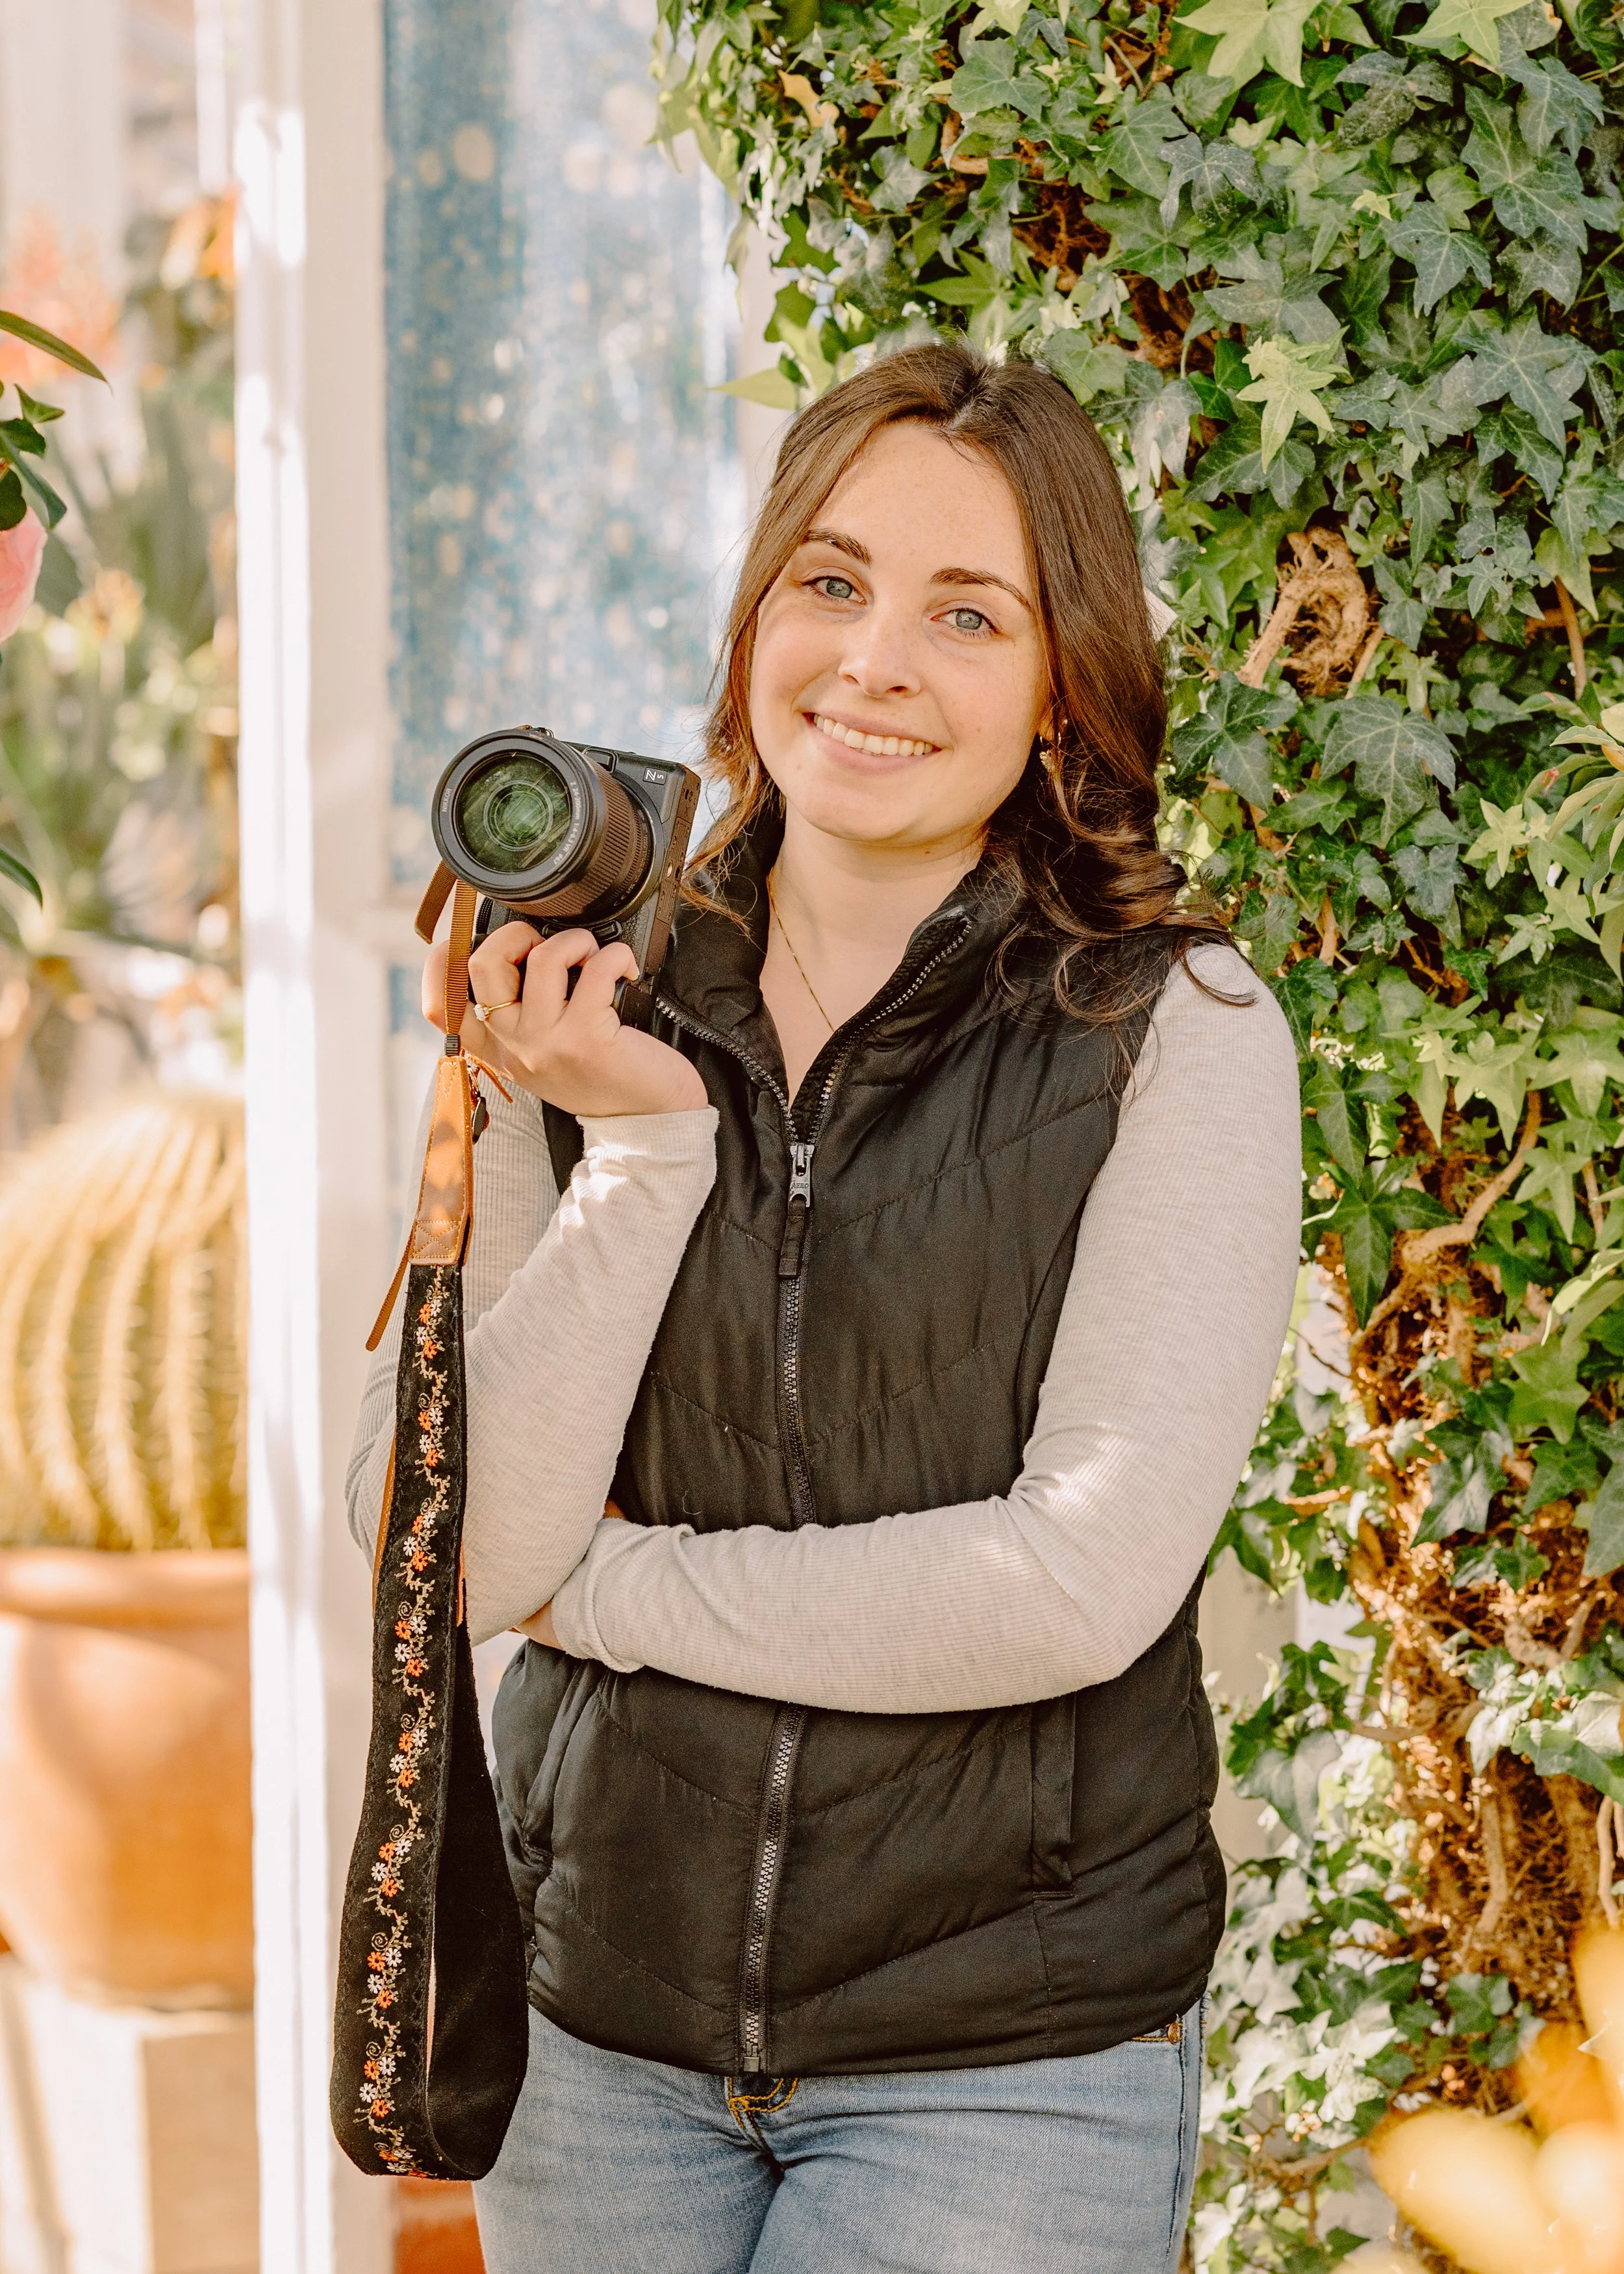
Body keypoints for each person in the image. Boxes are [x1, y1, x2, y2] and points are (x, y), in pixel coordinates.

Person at [347, 341, 1301, 2274]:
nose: (873, 661)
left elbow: (1070, 1579)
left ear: (1060, 686)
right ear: (755, 610)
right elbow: (460, 1546)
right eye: (829, 580)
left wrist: (608, 1597)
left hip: (1002, 2058)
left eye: (967, 613)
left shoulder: (1173, 1034)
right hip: (598, 2034)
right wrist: (637, 1157)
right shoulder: (581, 997)